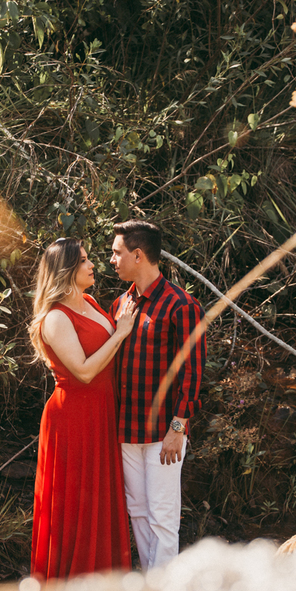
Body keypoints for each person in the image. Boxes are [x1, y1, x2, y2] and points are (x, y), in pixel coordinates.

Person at [28, 237, 139, 579]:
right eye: (85, 261)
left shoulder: (89, 301)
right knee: (78, 502)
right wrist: (120, 334)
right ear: (67, 270)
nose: (93, 265)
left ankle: (104, 578)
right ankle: (70, 581)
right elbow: (85, 371)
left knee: (101, 499)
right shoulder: (56, 319)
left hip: (101, 410)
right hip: (74, 417)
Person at [110, 220, 205, 570]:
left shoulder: (182, 305)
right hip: (125, 431)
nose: (112, 260)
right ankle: (153, 585)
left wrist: (177, 429)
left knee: (163, 515)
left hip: (163, 432)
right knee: (137, 511)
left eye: (117, 253)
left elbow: (193, 372)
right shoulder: (120, 304)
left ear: (138, 255)